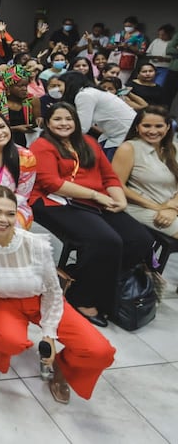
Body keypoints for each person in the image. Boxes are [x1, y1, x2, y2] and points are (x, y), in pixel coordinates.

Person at [0, 185, 116, 404]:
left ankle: (62, 369)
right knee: (8, 340)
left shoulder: (34, 244)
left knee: (100, 351)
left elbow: (52, 290)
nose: (4, 219)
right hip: (2, 301)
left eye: (10, 213)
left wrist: (49, 333)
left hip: (41, 299)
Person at [29, 102, 153, 327]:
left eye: (69, 119)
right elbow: (52, 183)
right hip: (55, 201)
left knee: (140, 239)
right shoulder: (42, 145)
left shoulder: (88, 142)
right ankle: (81, 297)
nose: (64, 123)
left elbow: (109, 177)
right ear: (48, 123)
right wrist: (97, 196)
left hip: (96, 199)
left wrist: (120, 200)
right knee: (106, 240)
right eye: (58, 119)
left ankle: (99, 281)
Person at [112, 106, 178, 237]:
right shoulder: (128, 148)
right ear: (137, 127)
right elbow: (116, 186)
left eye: (159, 126)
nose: (153, 131)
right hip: (142, 208)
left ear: (168, 127)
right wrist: (158, 208)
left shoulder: (174, 147)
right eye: (146, 126)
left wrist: (173, 207)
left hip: (171, 208)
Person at [58, 70, 135, 160]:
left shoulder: (84, 95)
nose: (59, 89)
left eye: (60, 85)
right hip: (114, 133)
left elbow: (83, 127)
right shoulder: (91, 91)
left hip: (123, 134)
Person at [0, 64, 40, 147]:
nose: (24, 89)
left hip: (29, 143)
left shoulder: (32, 100)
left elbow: (37, 123)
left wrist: (39, 121)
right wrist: (17, 129)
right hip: (4, 142)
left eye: (26, 85)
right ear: (9, 87)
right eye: (20, 86)